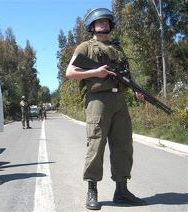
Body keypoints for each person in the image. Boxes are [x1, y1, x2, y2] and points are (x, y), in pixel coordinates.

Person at [66, 8, 146, 210]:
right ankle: (92, 191)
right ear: (92, 26)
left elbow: (126, 74)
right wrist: (96, 72)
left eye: (106, 22)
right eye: (99, 22)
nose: (103, 25)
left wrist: (136, 90)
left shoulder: (117, 49)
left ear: (111, 25)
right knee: (96, 145)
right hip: (98, 101)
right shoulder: (85, 46)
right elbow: (70, 72)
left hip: (119, 99)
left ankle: (122, 190)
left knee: (123, 146)